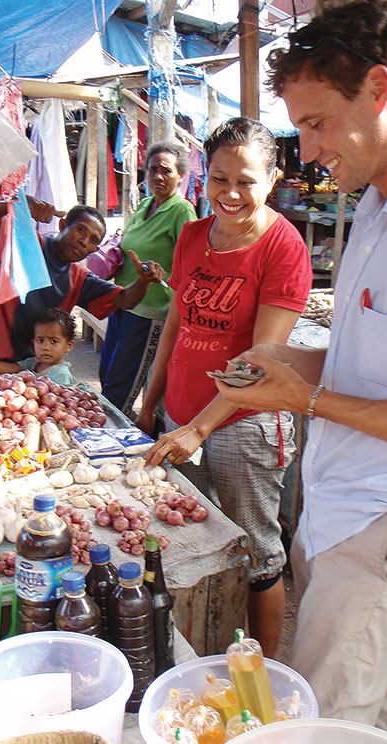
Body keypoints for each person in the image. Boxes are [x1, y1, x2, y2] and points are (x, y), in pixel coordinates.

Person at [216, 0, 387, 736]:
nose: (307, 150)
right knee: (370, 704)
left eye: (316, 122)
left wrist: (306, 398)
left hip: (385, 517)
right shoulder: (375, 205)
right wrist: (288, 358)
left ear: (379, 88)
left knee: (325, 728)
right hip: (342, 506)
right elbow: (383, 364)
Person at [138, 118, 312, 658]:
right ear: (204, 178)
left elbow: (262, 362)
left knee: (259, 556)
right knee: (188, 543)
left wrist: (200, 427)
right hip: (182, 417)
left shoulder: (283, 248)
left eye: (246, 180)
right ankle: (201, 656)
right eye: (219, 179)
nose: (230, 194)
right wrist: (152, 397)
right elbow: (176, 322)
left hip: (244, 426)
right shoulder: (192, 235)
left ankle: (261, 672)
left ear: (273, 178)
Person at [0, 202, 165, 373]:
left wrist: (143, 282)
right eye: (80, 230)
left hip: (26, 371)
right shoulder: (22, 244)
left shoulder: (79, 278)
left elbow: (125, 299)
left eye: (93, 240)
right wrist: (24, 205)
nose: (84, 241)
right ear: (63, 226)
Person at [100, 142, 197, 414]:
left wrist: (164, 274)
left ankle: (114, 440)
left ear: (180, 176)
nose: (157, 177)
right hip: (124, 303)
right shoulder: (144, 206)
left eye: (166, 171)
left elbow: (191, 264)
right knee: (109, 374)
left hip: (151, 312)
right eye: (152, 170)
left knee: (122, 386)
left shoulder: (182, 211)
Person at [0, 307, 77, 385]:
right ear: (33, 341)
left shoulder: (61, 375)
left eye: (53, 341)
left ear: (69, 345)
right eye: (40, 340)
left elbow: (58, 402)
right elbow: (13, 368)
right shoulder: (35, 362)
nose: (45, 347)